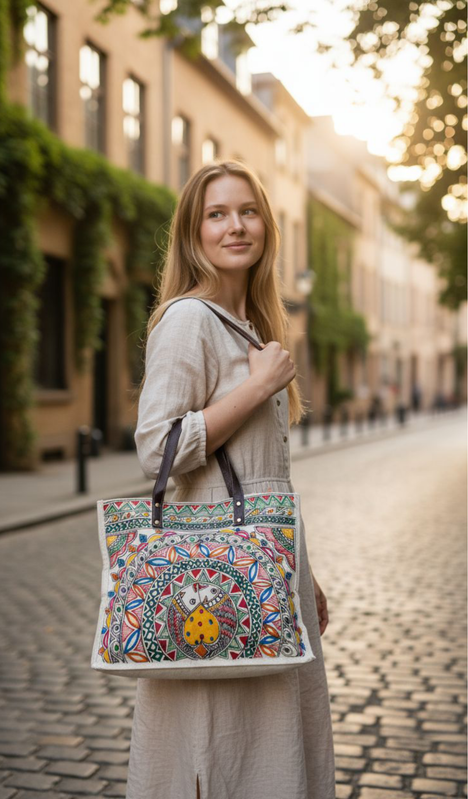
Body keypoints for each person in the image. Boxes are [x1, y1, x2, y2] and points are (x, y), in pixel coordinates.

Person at [129, 159, 336, 799]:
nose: (235, 226)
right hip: (212, 581)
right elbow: (157, 446)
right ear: (194, 232)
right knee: (217, 742)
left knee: (269, 744)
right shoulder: (190, 321)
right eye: (216, 214)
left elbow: (263, 474)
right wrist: (257, 387)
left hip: (265, 570)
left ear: (266, 226)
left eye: (247, 211)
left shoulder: (252, 328)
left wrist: (305, 571)